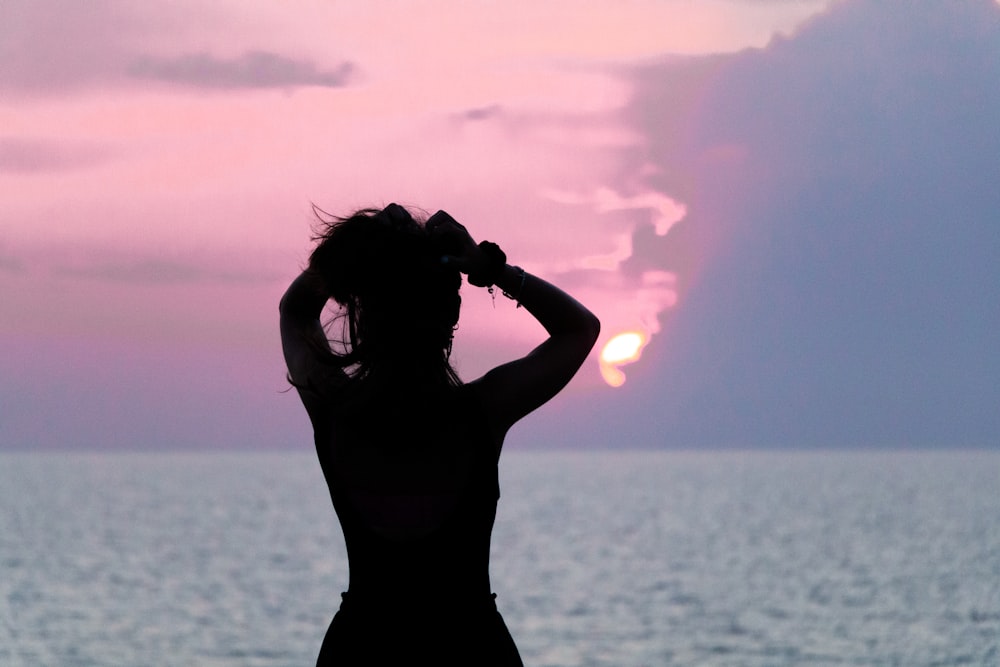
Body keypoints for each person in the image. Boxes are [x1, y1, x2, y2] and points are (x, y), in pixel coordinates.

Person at [279, 204, 600, 665]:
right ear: (451, 314)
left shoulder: (334, 408)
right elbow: (579, 329)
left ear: (364, 312)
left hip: (360, 650)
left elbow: (295, 312)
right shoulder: (483, 411)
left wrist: (356, 246)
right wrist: (491, 268)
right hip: (471, 649)